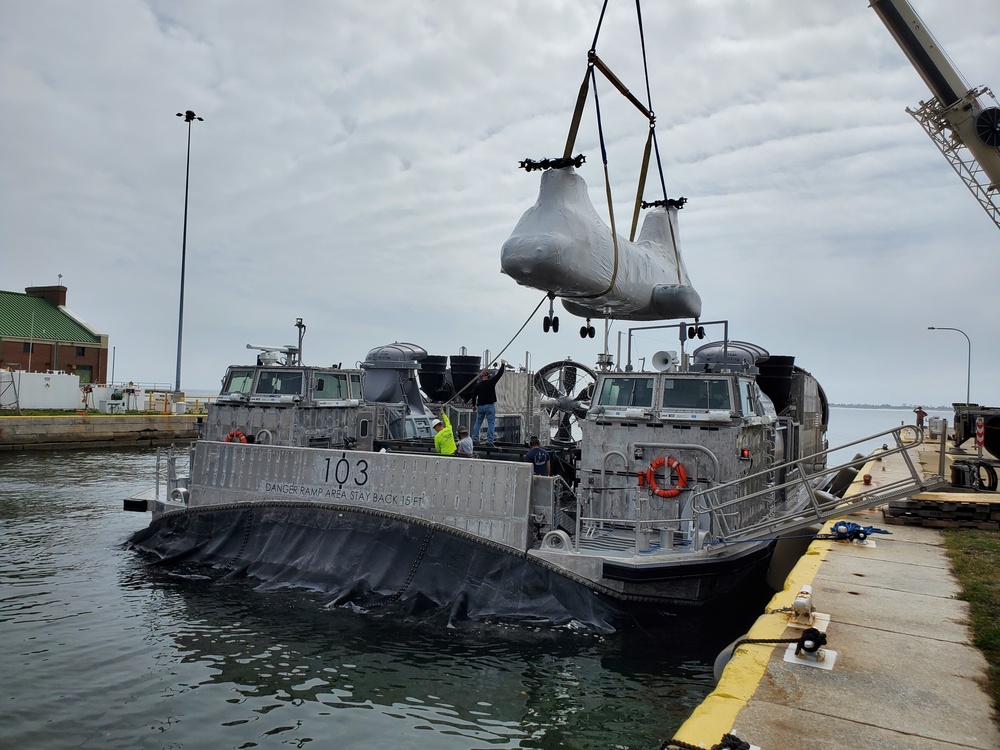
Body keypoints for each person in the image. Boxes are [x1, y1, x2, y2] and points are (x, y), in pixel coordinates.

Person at [471, 360, 507, 446]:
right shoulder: (491, 382)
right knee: (491, 423)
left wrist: (473, 405)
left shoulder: (478, 386)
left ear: (482, 377)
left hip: (480, 407)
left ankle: (474, 439)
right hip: (489, 406)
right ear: (488, 376)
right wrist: (502, 365)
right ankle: (489, 440)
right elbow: (499, 374)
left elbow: (473, 396)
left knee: (478, 423)